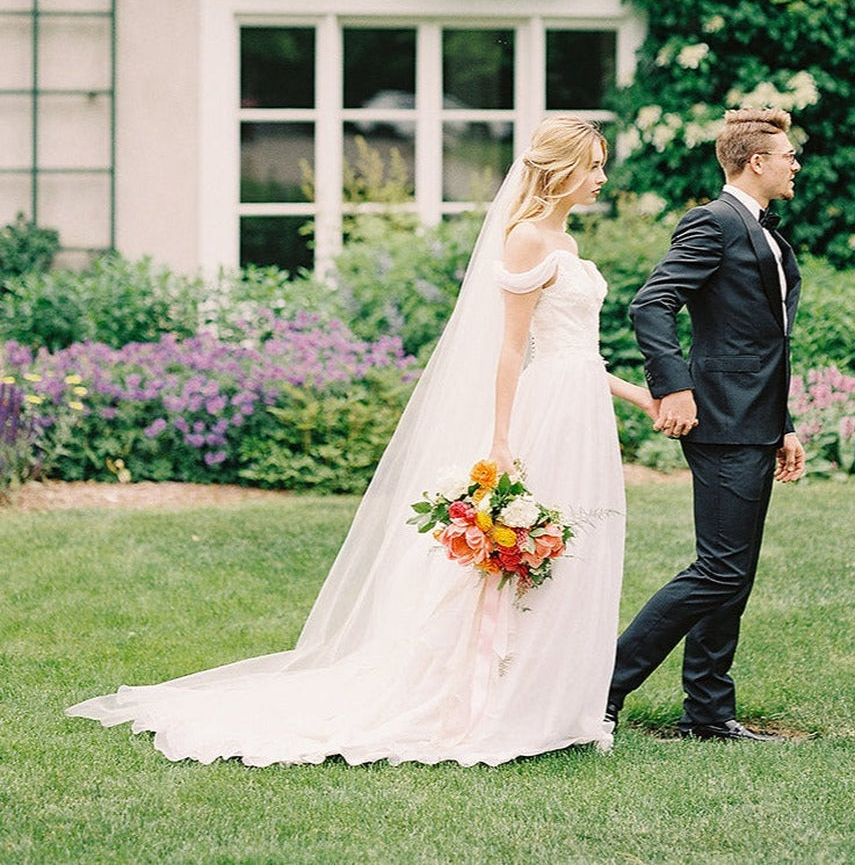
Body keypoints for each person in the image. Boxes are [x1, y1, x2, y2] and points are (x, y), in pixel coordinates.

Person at [68, 116, 654, 767]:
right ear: (560, 168)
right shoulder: (524, 240)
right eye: (594, 166)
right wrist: (502, 440)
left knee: (576, 546)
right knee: (532, 549)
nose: (603, 178)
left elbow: (576, 353)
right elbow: (514, 348)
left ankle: (554, 701)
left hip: (581, 415)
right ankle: (496, 699)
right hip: (544, 412)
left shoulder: (565, 242)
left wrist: (639, 396)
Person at [604, 105, 806, 743]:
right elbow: (652, 304)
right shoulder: (712, 224)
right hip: (717, 422)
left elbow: (762, 343)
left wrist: (784, 423)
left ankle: (709, 712)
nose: (796, 164)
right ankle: (601, 687)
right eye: (788, 155)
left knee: (733, 572)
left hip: (754, 422)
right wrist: (675, 389)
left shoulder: (769, 234)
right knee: (719, 569)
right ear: (756, 161)